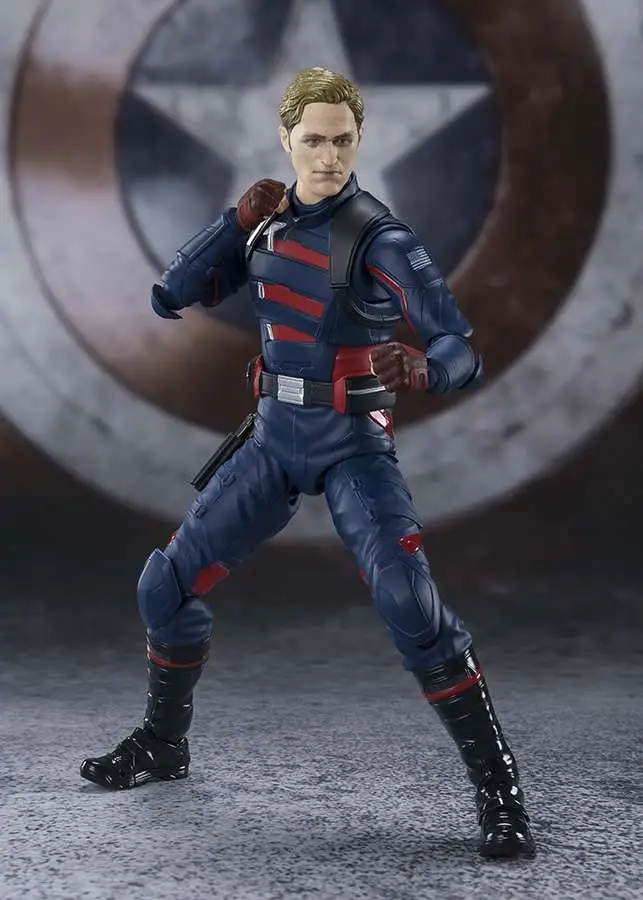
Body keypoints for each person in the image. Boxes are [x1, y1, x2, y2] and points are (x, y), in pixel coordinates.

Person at [80, 67, 536, 860]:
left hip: (351, 444)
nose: (328, 156)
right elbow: (169, 295)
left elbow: (459, 346)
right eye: (314, 140)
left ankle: (500, 793)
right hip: (272, 439)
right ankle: (162, 744)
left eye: (343, 140)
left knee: (409, 604)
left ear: (360, 141)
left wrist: (424, 368)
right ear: (286, 139)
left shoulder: (379, 238)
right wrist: (235, 220)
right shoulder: (267, 225)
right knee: (163, 587)